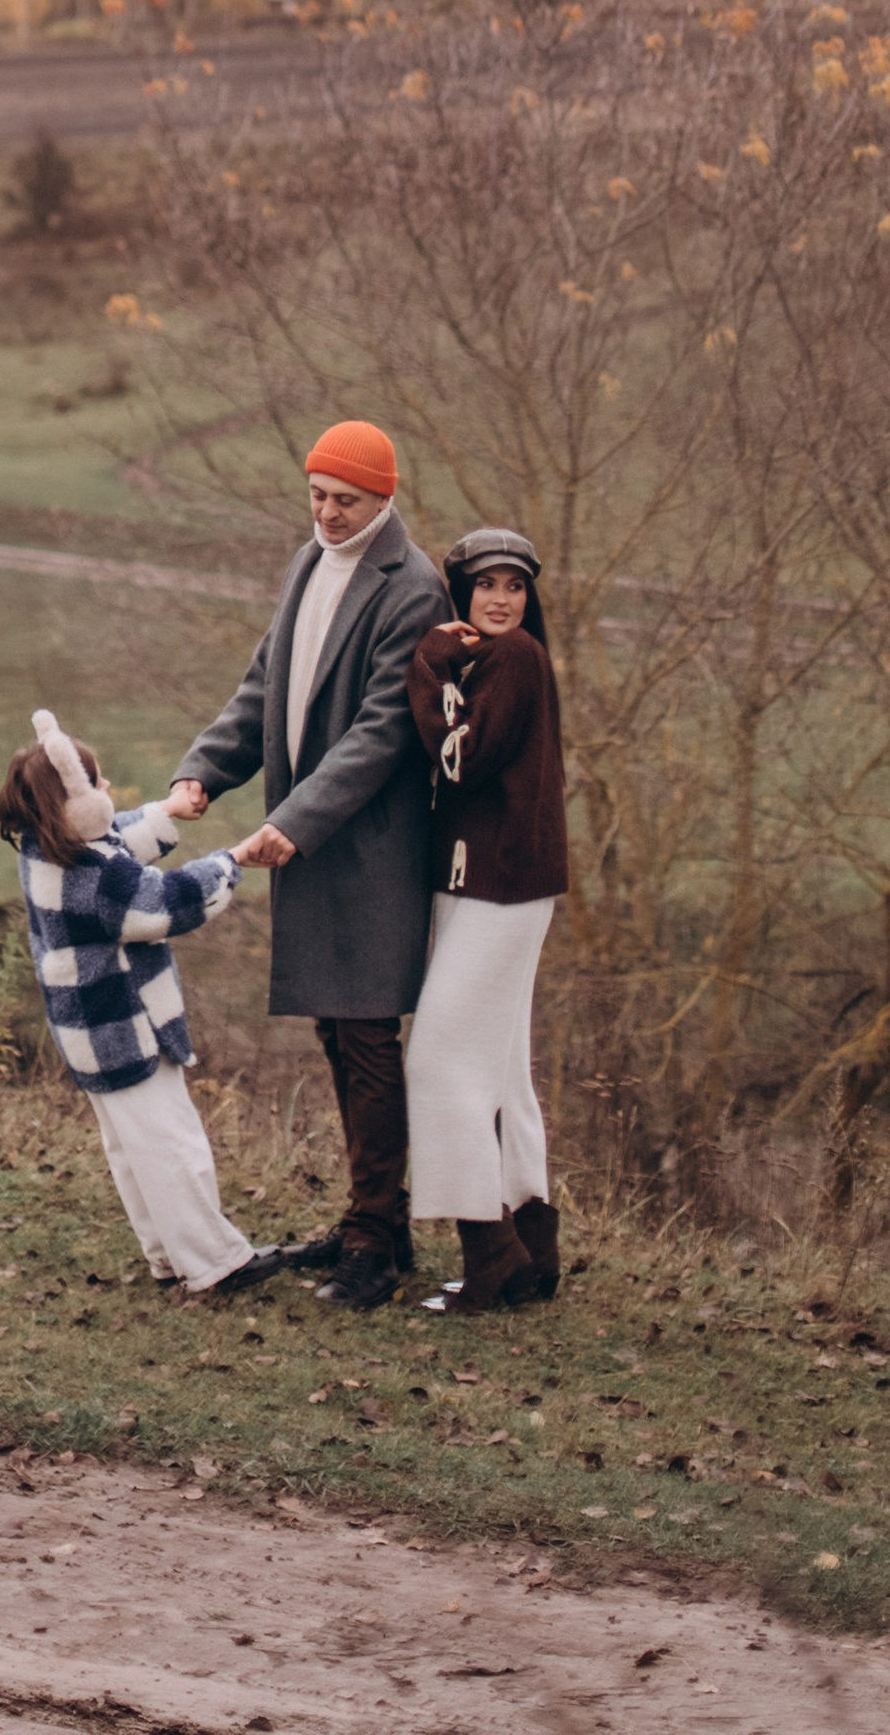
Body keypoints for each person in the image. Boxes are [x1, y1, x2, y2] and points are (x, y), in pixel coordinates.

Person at [164, 421, 449, 1310]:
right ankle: (376, 1221)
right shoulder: (306, 562)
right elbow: (263, 686)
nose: (327, 513)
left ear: (383, 499)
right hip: (313, 845)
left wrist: (295, 820)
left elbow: (382, 733)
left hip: (366, 850)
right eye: (318, 495)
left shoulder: (416, 587)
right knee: (336, 1030)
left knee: (366, 1037)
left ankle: (374, 1244)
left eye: (346, 501)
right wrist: (202, 769)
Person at [0, 708, 290, 1301]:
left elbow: (113, 839)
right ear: (76, 805)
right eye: (98, 785)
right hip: (122, 1025)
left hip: (92, 1030)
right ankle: (213, 1264)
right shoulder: (94, 880)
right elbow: (164, 903)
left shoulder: (46, 848)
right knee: (170, 1142)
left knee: (135, 1148)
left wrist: (165, 812)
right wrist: (232, 861)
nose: (107, 792)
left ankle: (169, 1255)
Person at [401, 523, 569, 1316]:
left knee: (437, 1064)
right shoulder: (509, 661)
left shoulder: (510, 659)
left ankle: (489, 1253)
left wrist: (431, 664)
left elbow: (459, 758)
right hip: (502, 884)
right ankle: (532, 1244)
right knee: (502, 1069)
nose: (501, 599)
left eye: (515, 586)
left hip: (496, 889)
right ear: (460, 591)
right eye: (485, 585)